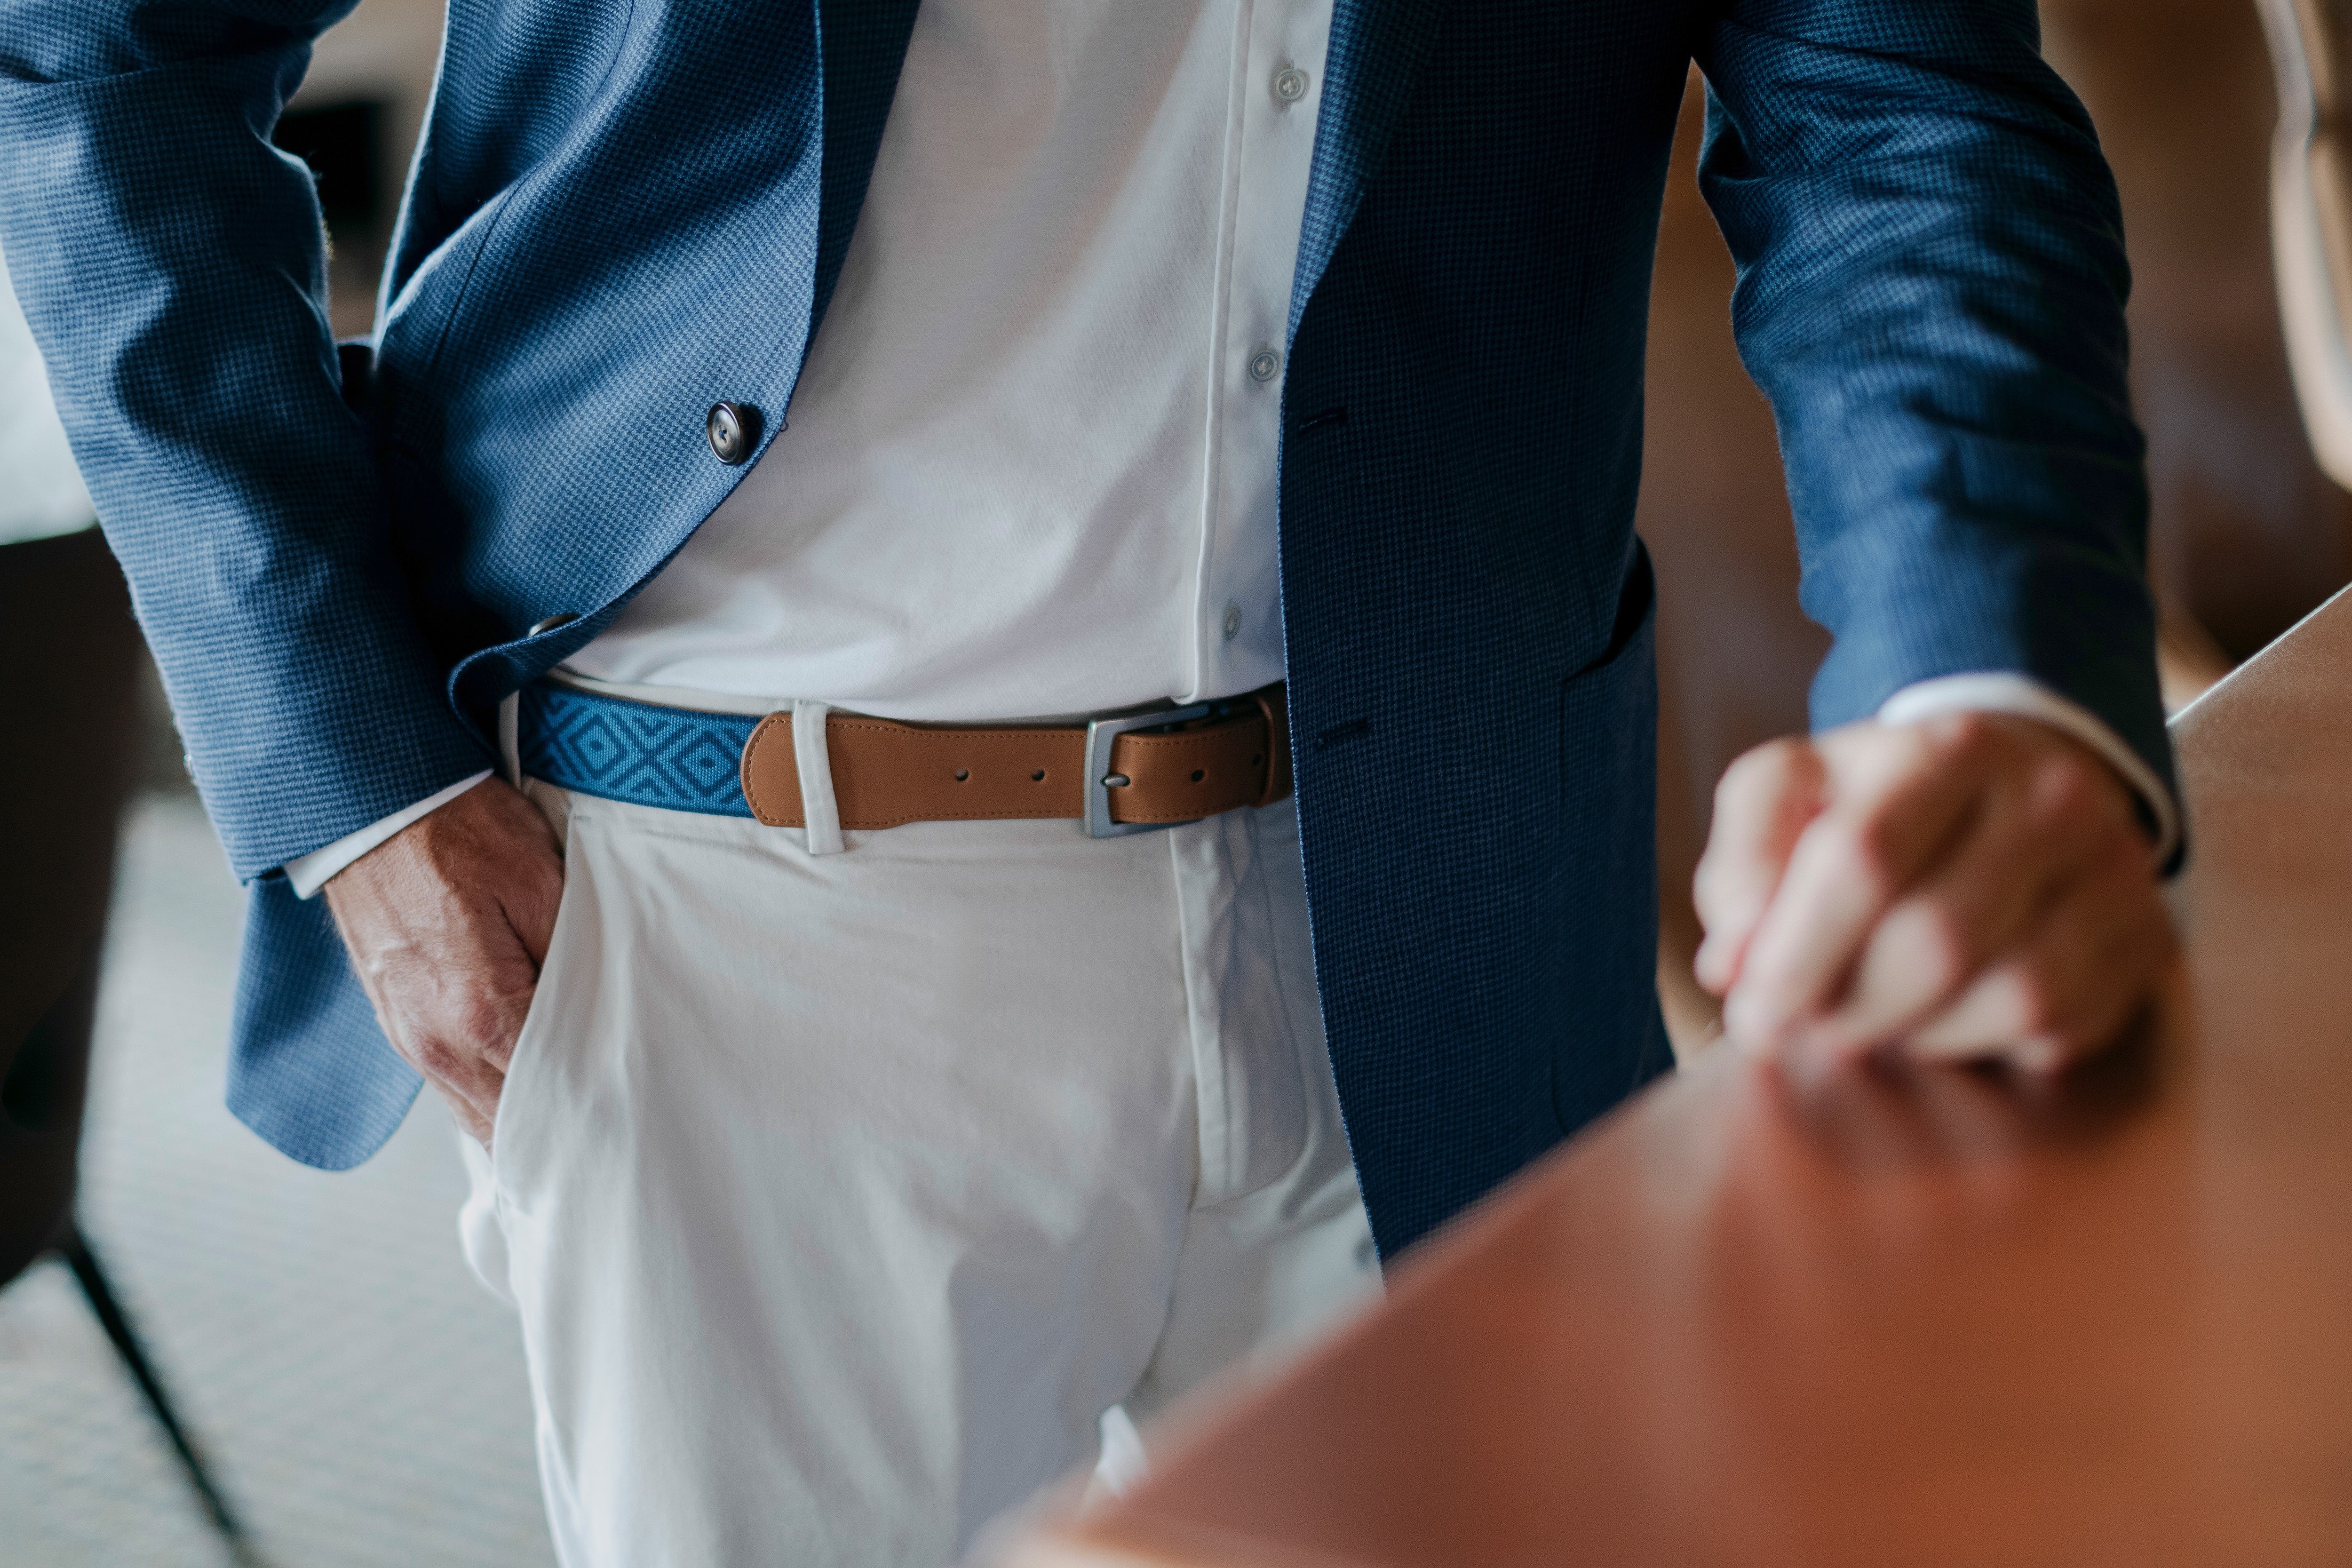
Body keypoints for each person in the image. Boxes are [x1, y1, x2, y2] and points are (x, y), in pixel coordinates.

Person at [0, 1, 2181, 1561]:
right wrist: (356, 788)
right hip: (733, 916)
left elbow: (1897, 102)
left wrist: (1979, 686)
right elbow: (93, 56)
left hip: (1440, 884)